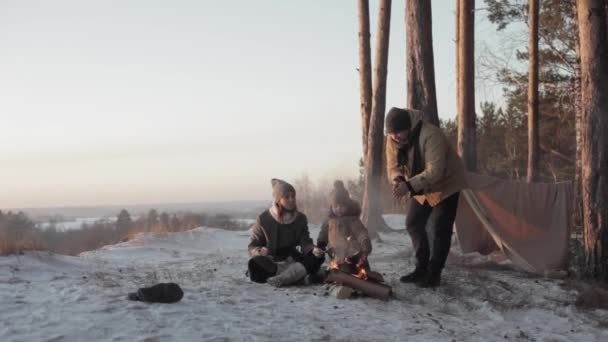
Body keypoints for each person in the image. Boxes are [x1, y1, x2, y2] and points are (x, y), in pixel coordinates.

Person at [385, 107, 466, 288]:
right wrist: (398, 179)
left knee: (440, 227)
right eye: (392, 133)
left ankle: (434, 273)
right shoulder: (391, 138)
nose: (395, 136)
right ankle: (421, 268)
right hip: (420, 185)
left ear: (408, 126)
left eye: (398, 132)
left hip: (446, 184)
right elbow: (393, 165)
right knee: (413, 223)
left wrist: (409, 185)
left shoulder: (431, 135)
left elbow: (435, 171)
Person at [247, 178, 325, 287]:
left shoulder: (300, 218)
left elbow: (305, 243)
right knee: (254, 265)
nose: (292, 199)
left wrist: (313, 249)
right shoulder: (263, 219)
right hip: (274, 262)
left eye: (293, 196)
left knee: (318, 257)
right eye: (287, 197)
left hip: (294, 260)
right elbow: (252, 246)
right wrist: (259, 251)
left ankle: (283, 279)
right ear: (278, 200)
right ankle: (300, 275)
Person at [317, 180, 372, 274]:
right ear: (332, 206)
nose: (339, 209)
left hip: (354, 253)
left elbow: (360, 232)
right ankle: (325, 275)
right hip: (337, 254)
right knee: (343, 270)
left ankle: (363, 273)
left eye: (342, 206)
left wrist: (365, 240)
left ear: (348, 205)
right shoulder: (329, 220)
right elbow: (323, 233)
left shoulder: (352, 219)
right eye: (336, 206)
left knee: (363, 269)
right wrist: (320, 245)